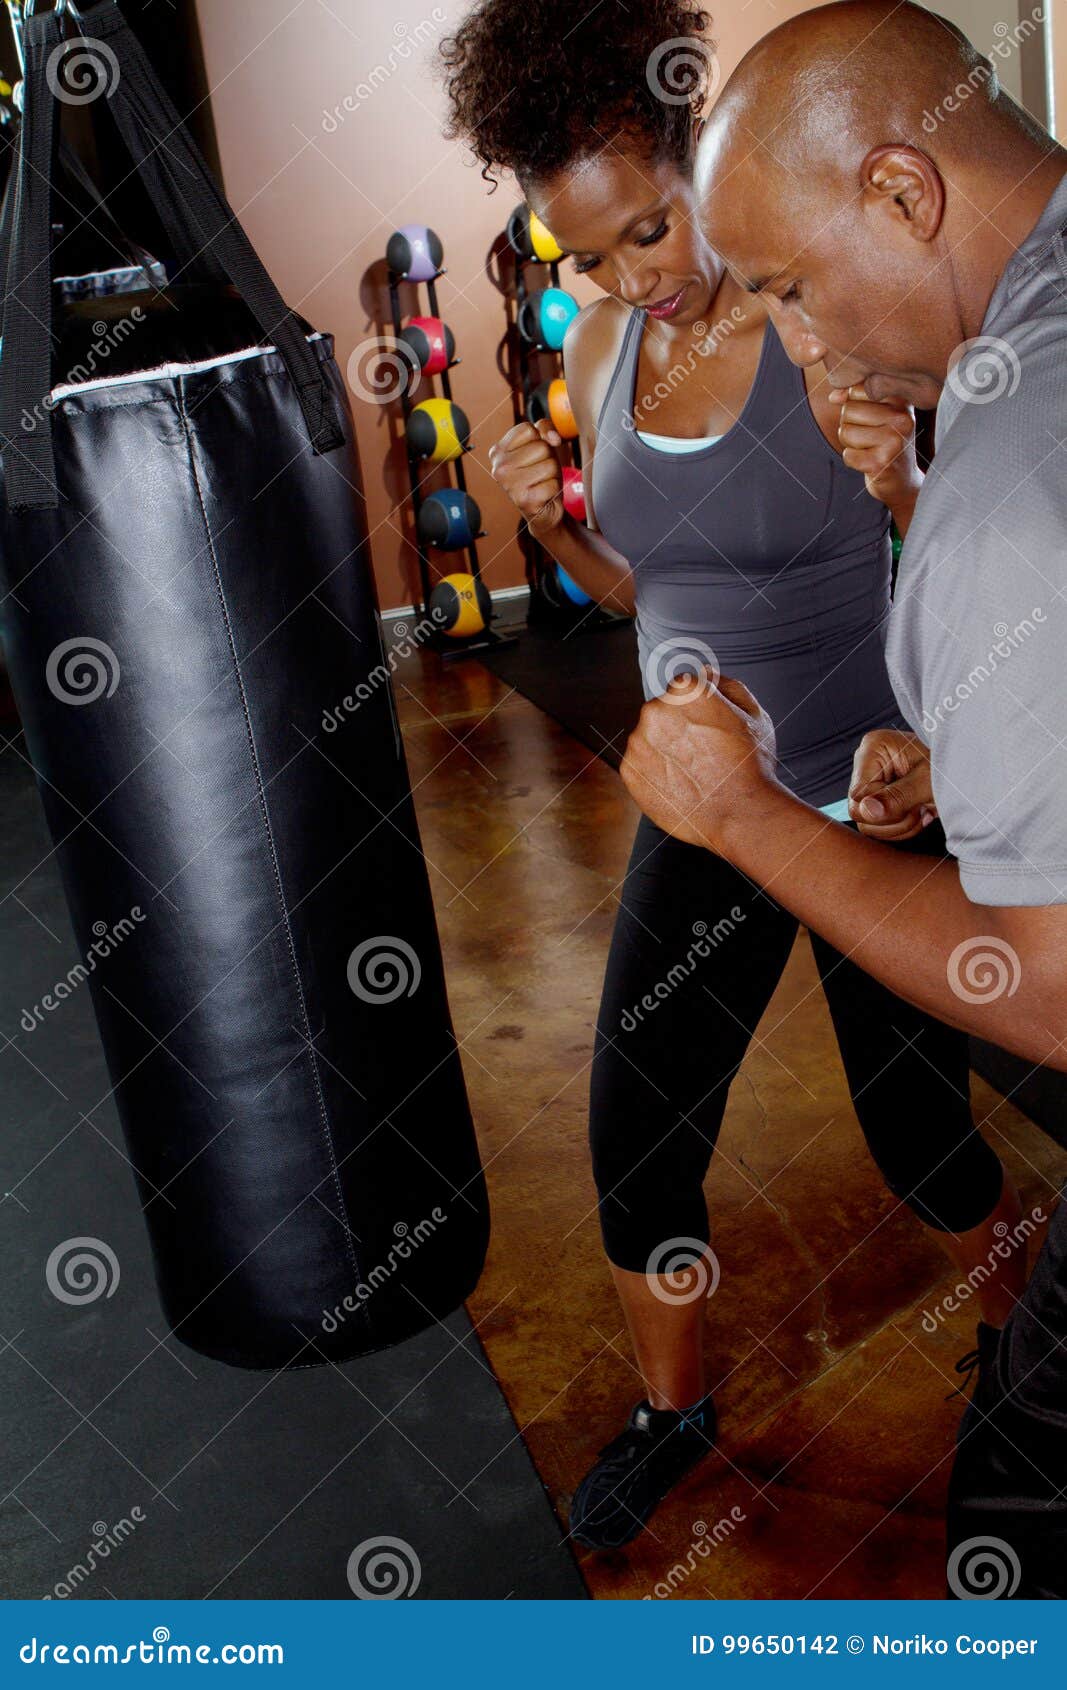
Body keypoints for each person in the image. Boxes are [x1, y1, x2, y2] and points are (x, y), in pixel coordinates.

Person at [441, 0, 1022, 1553]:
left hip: (861, 795)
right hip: (702, 809)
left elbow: (951, 560)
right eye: (594, 258)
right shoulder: (603, 346)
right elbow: (646, 589)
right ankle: (673, 1407)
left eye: (648, 227)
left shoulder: (831, 317)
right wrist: (541, 526)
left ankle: (1021, 1340)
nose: (637, 276)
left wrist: (896, 476)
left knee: (921, 1137)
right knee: (636, 1125)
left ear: (695, 155)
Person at [620, 0, 1067, 1596]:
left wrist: (741, 815)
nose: (803, 340)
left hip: (798, 800)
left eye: (799, 291)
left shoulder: (1007, 482)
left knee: (1014, 1527)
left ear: (899, 191)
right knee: (641, 1106)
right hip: (882, 782)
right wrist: (967, 748)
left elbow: (1056, 987)